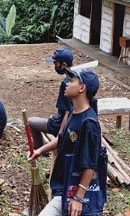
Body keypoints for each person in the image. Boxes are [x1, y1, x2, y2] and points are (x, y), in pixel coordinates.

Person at [28, 69, 102, 216]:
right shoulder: (74, 113)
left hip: (72, 191)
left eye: (73, 81)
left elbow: (91, 164)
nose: (67, 83)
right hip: (64, 185)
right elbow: (63, 138)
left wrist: (78, 197)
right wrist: (40, 151)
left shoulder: (89, 123)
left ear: (82, 88)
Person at [28, 48, 75, 147]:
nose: (55, 66)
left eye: (56, 64)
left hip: (60, 124)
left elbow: (67, 112)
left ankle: (39, 150)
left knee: (30, 122)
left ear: (64, 65)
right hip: (73, 122)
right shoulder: (78, 78)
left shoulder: (66, 84)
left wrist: (61, 135)